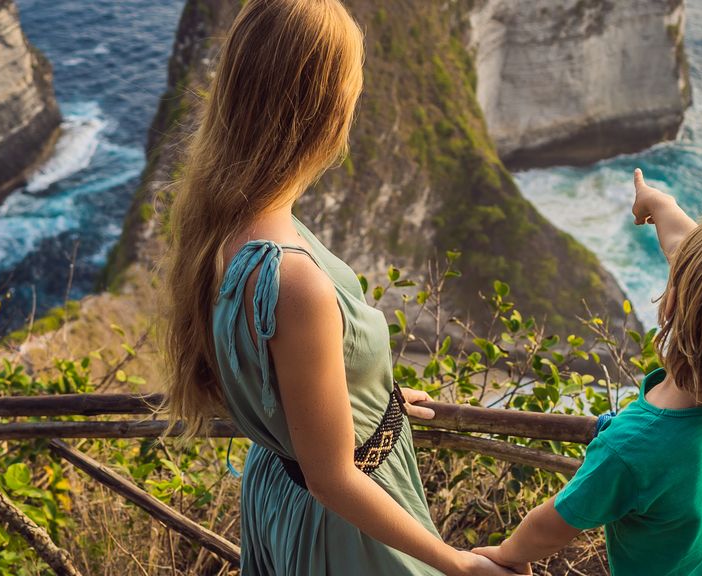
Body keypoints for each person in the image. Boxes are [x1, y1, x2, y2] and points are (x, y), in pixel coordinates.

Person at [156, 1, 518, 574]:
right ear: (321, 107)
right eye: (352, 82)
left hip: (281, 486)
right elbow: (333, 479)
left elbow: (275, 377)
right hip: (343, 526)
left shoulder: (223, 220)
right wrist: (459, 563)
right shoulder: (293, 278)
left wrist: (376, 403)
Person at [471, 169, 702, 575]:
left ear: (671, 303)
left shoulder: (631, 448)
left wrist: (507, 556)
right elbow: (695, 259)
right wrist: (659, 204)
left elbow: (554, 524)